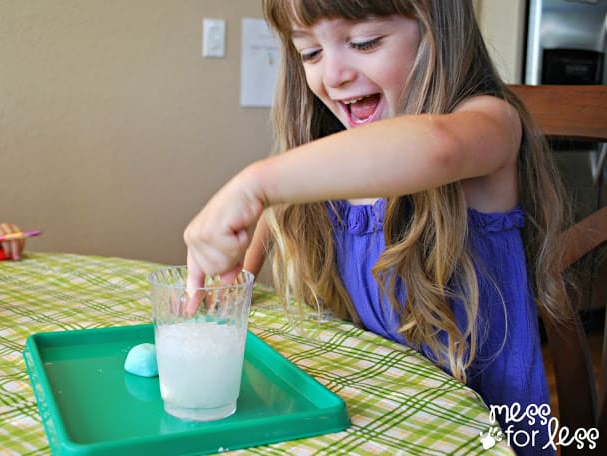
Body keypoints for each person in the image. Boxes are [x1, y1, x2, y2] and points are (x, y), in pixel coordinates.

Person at [183, 1, 571, 454]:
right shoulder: (332, 161)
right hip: (377, 429)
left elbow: (436, 146)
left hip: (484, 437)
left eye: (364, 42)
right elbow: (255, 244)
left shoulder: (490, 125)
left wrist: (254, 184)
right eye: (310, 53)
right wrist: (231, 272)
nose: (332, 76)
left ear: (436, 31)